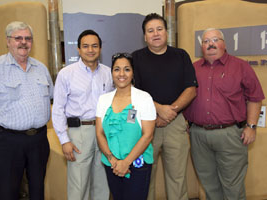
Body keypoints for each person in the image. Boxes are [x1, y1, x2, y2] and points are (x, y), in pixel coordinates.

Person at [0, 21, 53, 200]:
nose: (23, 42)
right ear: (8, 41)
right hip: (7, 142)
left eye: (28, 38)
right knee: (8, 191)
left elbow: (51, 98)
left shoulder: (41, 68)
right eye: (18, 38)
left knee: (38, 190)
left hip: (38, 140)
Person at [184, 28, 265, 200]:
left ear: (224, 44)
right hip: (198, 135)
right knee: (209, 184)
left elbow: (255, 98)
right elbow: (185, 96)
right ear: (202, 47)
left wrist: (251, 127)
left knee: (233, 186)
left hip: (230, 135)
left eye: (215, 40)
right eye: (205, 41)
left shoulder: (241, 66)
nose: (210, 44)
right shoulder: (193, 69)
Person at [132, 13, 198, 200]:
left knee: (177, 178)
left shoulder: (181, 55)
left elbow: (191, 89)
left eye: (159, 29)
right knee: (145, 177)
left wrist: (171, 111)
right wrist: (159, 109)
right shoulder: (136, 58)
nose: (155, 34)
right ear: (145, 36)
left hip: (175, 124)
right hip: (145, 126)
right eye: (150, 30)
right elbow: (132, 92)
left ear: (166, 32)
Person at [52, 29, 112, 200]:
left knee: (102, 182)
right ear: (78, 49)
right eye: (85, 46)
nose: (90, 50)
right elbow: (58, 109)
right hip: (79, 133)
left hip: (103, 131)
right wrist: (64, 140)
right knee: (79, 184)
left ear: (100, 48)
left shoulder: (108, 73)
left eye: (94, 46)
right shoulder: (66, 74)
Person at [96, 53, 156, 200]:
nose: (121, 74)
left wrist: (126, 162)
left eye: (126, 69)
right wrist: (113, 160)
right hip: (112, 165)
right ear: (112, 73)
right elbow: (99, 133)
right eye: (117, 69)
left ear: (133, 72)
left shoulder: (144, 98)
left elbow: (148, 135)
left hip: (137, 164)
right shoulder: (103, 100)